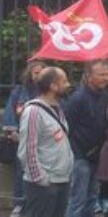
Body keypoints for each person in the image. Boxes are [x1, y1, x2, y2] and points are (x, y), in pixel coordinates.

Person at [17, 67, 73, 217]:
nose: (68, 84)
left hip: (61, 180)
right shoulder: (34, 111)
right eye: (64, 81)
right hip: (44, 185)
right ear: (53, 86)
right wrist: (40, 179)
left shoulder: (57, 108)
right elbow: (28, 149)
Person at [64, 60, 108, 217]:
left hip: (96, 156)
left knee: (92, 198)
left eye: (107, 74)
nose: (106, 78)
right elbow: (67, 127)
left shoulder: (105, 95)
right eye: (101, 75)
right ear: (88, 76)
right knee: (77, 200)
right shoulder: (78, 98)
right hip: (79, 157)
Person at [3, 61, 47, 216]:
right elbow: (10, 112)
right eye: (35, 73)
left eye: (41, 73)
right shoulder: (19, 91)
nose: (38, 76)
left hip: (42, 140)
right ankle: (20, 203)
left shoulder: (48, 92)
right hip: (21, 139)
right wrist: (12, 131)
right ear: (29, 73)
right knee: (21, 170)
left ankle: (36, 203)